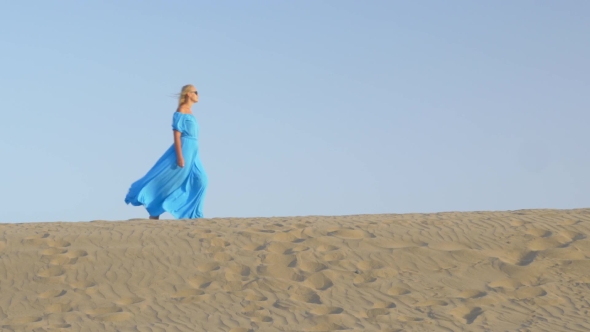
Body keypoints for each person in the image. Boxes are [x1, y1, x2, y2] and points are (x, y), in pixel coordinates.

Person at [125, 84, 208, 219]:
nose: (198, 95)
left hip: (194, 150)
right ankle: (154, 209)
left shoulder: (191, 112)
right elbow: (176, 135)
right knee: (170, 180)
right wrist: (180, 156)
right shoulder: (181, 110)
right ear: (188, 94)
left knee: (202, 180)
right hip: (185, 147)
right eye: (196, 92)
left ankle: (194, 214)